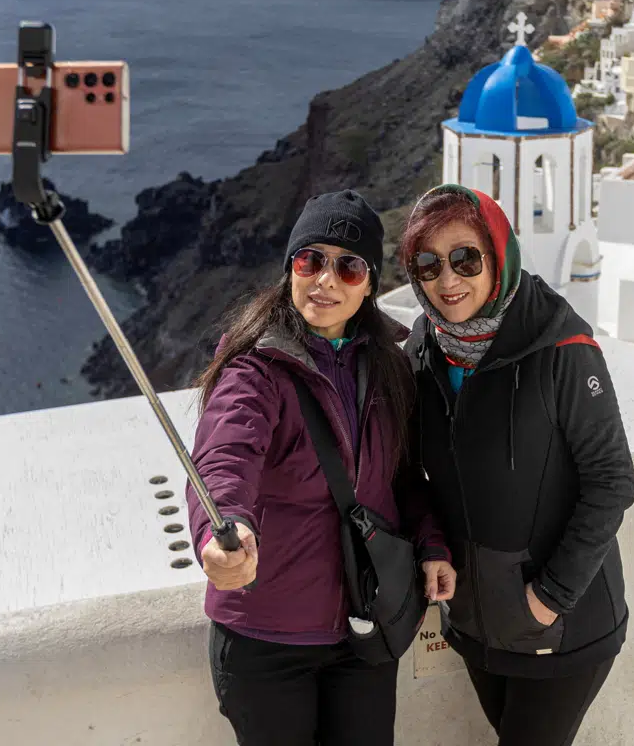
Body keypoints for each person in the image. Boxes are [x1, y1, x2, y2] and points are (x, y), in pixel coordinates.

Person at [186, 189, 457, 746]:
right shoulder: (255, 369)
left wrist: (431, 543)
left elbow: (401, 476)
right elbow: (226, 452)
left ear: (370, 283)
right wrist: (227, 527)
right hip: (268, 638)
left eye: (349, 267)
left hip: (366, 628)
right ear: (290, 267)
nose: (325, 281)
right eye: (310, 261)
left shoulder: (387, 364)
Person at [399, 184, 634, 746]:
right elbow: (412, 471)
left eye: (465, 258)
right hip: (477, 624)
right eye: (429, 266)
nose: (448, 280)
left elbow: (612, 482)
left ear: (498, 254)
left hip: (563, 625)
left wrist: (549, 597)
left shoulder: (562, 347)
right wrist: (433, 548)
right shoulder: (425, 350)